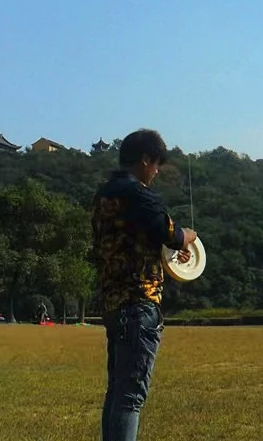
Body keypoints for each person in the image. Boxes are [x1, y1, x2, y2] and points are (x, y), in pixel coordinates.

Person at [91, 129, 197, 441]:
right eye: (156, 165)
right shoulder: (138, 195)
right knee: (131, 397)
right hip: (140, 303)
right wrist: (189, 235)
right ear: (145, 160)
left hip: (112, 304)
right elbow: (173, 235)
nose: (157, 171)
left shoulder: (102, 197)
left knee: (117, 392)